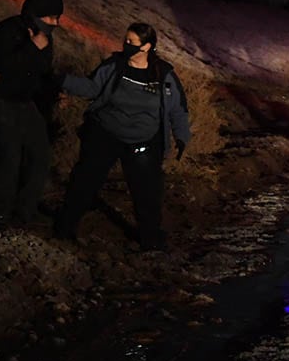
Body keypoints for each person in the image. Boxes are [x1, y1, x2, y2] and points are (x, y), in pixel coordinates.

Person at [55, 22, 191, 251]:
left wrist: (181, 137)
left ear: (147, 46)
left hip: (144, 141)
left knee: (147, 193)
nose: (126, 45)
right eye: (125, 41)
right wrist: (61, 81)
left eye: (132, 42)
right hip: (106, 134)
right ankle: (63, 230)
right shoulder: (114, 66)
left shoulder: (163, 74)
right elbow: (92, 87)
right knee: (84, 182)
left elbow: (178, 109)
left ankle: (150, 242)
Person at [0, 0, 63, 227]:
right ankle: (0, 215)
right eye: (50, 17)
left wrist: (54, 92)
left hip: (24, 102)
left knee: (39, 155)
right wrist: (32, 48)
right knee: (9, 156)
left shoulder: (45, 37)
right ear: (36, 13)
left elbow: (42, 72)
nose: (55, 23)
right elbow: (3, 67)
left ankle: (24, 213)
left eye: (57, 18)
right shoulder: (8, 30)